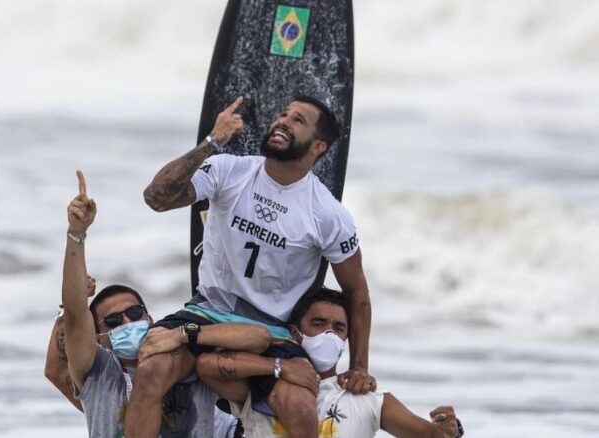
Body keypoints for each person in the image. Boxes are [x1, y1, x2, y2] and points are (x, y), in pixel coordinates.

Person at [127, 95, 374, 437]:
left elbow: (357, 292)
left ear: (318, 146)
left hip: (272, 331)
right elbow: (156, 197)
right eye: (283, 113)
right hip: (207, 311)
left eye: (298, 120)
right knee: (150, 370)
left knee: (300, 407)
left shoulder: (329, 215)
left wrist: (359, 366)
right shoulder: (230, 169)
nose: (283, 121)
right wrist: (212, 143)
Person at [48, 170, 269, 437]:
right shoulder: (98, 375)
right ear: (99, 339)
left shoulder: (186, 357)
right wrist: (76, 235)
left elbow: (257, 337)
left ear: (150, 318)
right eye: (114, 321)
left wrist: (185, 334)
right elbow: (75, 314)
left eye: (134, 313)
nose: (128, 322)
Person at [197, 287, 465, 438]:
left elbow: (432, 437)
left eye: (338, 328)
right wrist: (277, 367)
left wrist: (451, 428)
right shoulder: (264, 385)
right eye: (318, 324)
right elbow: (208, 365)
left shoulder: (365, 397)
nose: (329, 334)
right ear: (294, 332)